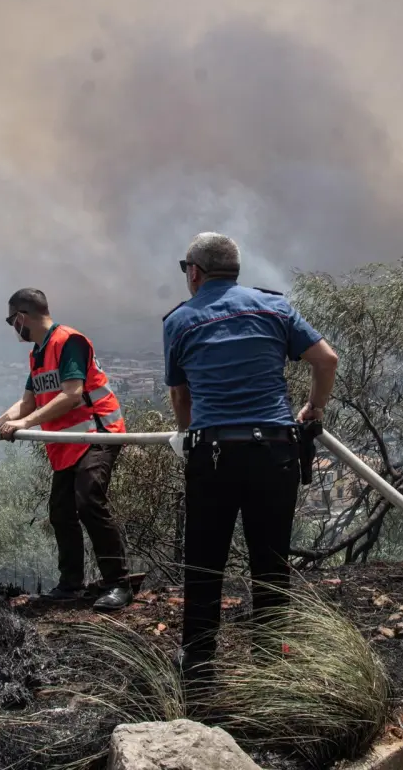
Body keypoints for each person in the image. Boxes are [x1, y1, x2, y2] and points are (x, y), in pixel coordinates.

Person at [163, 232, 338, 688]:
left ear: (195, 273)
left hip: (214, 455)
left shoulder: (180, 320)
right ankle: (273, 663)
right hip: (274, 452)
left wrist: (186, 435)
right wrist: (314, 408)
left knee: (204, 561)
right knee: (270, 561)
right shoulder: (274, 308)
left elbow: (181, 394)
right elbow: (327, 359)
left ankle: (199, 669)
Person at [0, 288, 133, 612]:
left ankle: (118, 583)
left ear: (21, 317)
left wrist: (26, 421)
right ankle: (71, 584)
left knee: (88, 502)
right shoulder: (38, 354)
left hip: (97, 434)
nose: (12, 328)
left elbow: (72, 394)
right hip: (67, 445)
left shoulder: (69, 342)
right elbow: (27, 403)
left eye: (10, 320)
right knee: (60, 512)